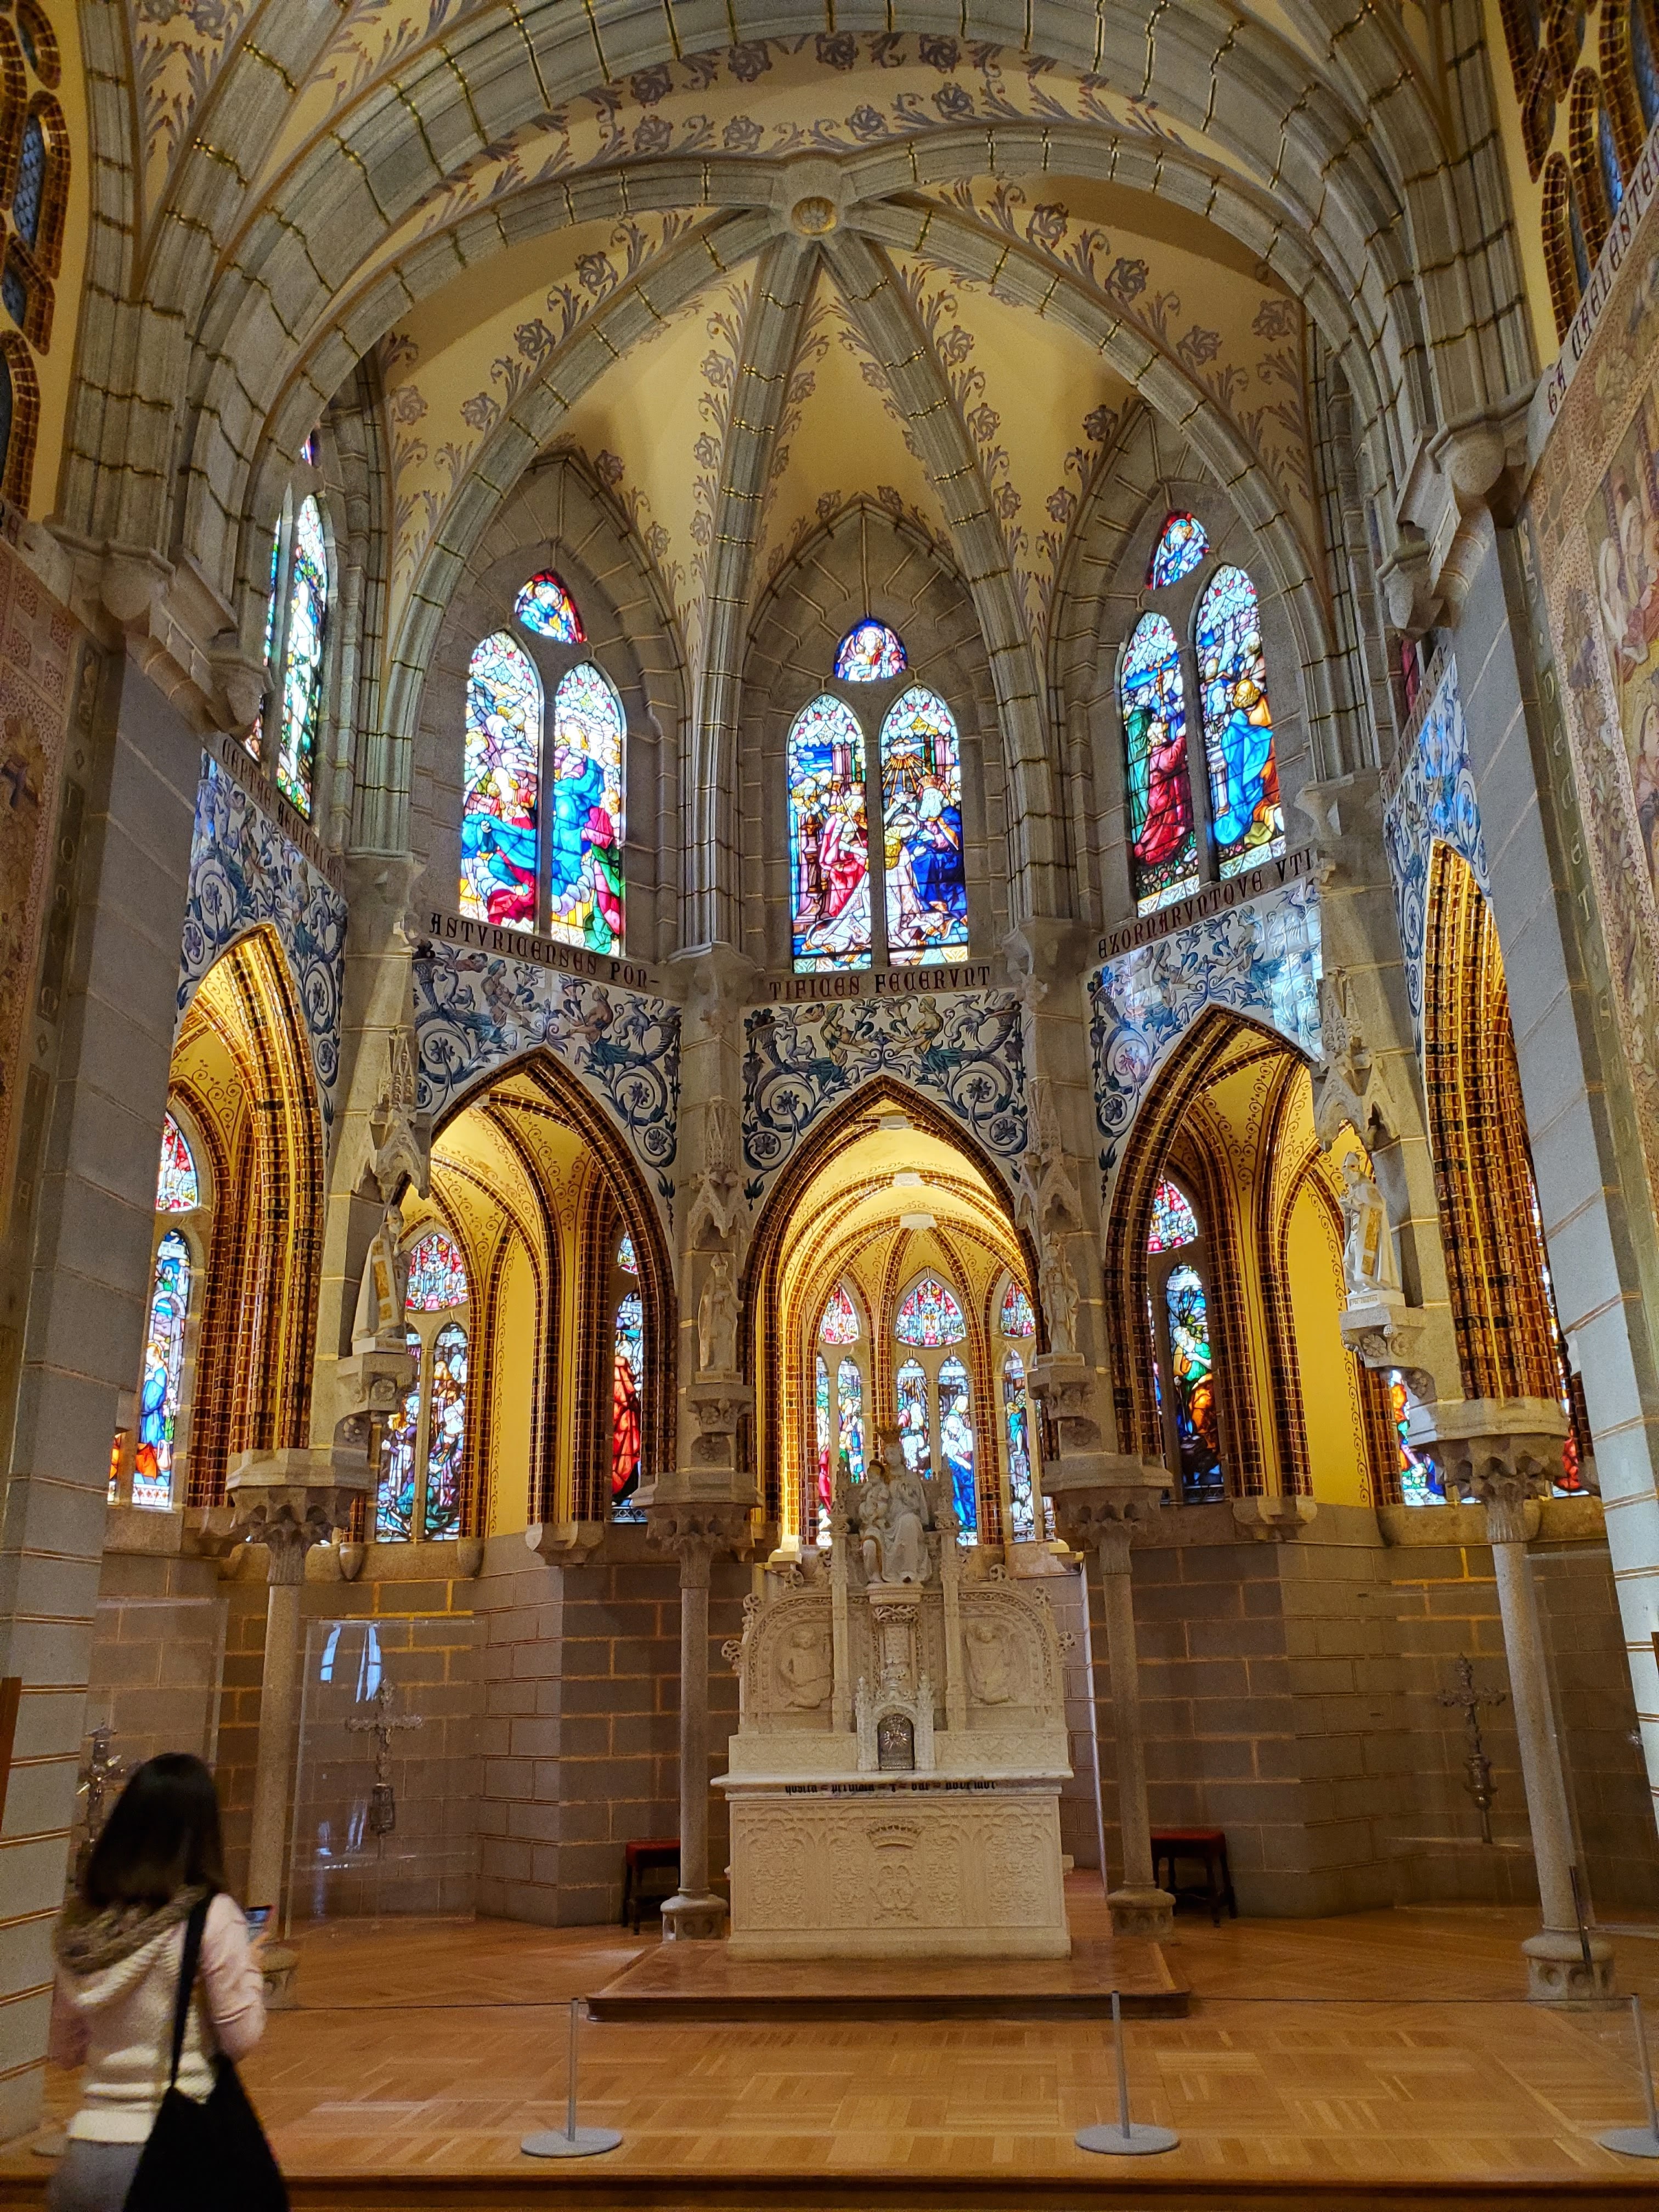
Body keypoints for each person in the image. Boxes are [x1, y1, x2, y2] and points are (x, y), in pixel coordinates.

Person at [48, 1753, 268, 2212]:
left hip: (85, 2154)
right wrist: (250, 1967)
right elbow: (240, 2037)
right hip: (173, 2151)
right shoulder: (209, 1916)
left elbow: (64, 2050)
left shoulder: (81, 1927)